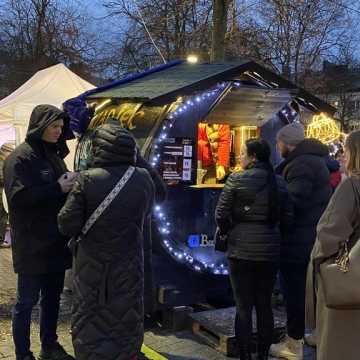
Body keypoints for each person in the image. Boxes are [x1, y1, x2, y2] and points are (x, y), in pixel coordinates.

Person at [58, 122, 155, 360]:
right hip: (130, 265)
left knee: (91, 317)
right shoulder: (143, 178)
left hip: (93, 268)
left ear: (98, 148)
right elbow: (149, 210)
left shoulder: (87, 180)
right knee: (126, 314)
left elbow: (66, 224)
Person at [3, 105, 76, 360]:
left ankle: (50, 345)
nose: (59, 131)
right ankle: (23, 354)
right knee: (26, 302)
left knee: (52, 298)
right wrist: (57, 187)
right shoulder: (20, 158)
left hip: (55, 242)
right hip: (32, 244)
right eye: (54, 127)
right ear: (41, 126)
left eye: (60, 127)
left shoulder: (54, 155)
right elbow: (18, 198)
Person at [215, 139, 293, 360]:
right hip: (269, 253)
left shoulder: (236, 179)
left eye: (242, 153)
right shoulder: (279, 182)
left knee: (243, 307)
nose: (239, 157)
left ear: (253, 157)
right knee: (264, 304)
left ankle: (244, 356)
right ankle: (262, 356)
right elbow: (288, 218)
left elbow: (220, 214)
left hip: (240, 251)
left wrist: (231, 230)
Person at [270, 123, 332, 360]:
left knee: (293, 292)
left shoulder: (301, 165)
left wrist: (274, 206)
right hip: (309, 237)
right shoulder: (313, 160)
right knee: (309, 291)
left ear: (286, 143)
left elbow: (294, 201)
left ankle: (293, 343)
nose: (278, 146)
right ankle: (315, 334)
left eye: (279, 142)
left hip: (297, 241)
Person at [306, 130, 360, 360]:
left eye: (346, 151)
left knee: (341, 344)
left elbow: (329, 237)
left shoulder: (351, 187)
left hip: (350, 289)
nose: (343, 157)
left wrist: (340, 268)